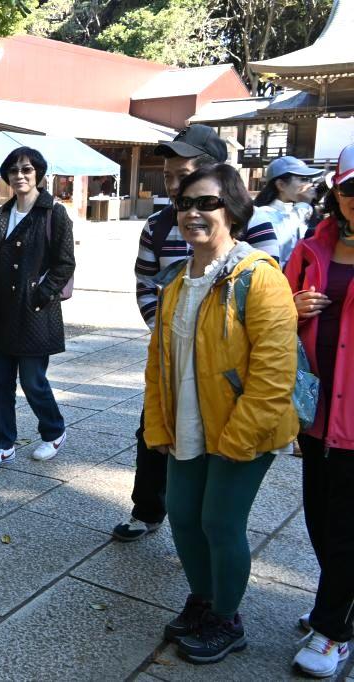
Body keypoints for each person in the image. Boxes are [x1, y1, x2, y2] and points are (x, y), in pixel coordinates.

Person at [143, 163, 299, 665]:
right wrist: (159, 422)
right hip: (188, 418)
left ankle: (228, 619)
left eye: (206, 203)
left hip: (243, 426)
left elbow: (275, 373)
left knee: (220, 521)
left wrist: (239, 439)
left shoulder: (258, 277)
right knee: (184, 518)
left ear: (231, 208)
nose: (192, 213)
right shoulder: (174, 280)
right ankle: (204, 598)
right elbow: (158, 364)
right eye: (184, 204)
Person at [115, 124, 279, 542]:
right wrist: (166, 334)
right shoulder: (157, 224)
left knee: (219, 440)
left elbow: (267, 293)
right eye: (169, 176)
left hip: (229, 362)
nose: (173, 185)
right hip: (173, 352)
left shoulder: (251, 222)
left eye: (181, 174)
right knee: (154, 429)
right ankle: (148, 509)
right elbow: (145, 282)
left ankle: (211, 526)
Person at [283, 142, 354, 678]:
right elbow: (271, 314)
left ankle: (332, 629)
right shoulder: (311, 248)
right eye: (351, 189)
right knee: (317, 513)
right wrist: (292, 307)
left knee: (346, 523)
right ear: (337, 189)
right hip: (314, 406)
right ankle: (340, 602)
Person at [0, 147, 74, 469]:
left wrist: (39, 295)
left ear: (38, 175)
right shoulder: (4, 213)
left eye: (27, 170)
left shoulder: (53, 212)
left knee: (33, 381)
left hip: (34, 313)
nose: (20, 175)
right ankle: (2, 444)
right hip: (2, 311)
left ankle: (54, 430)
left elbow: (65, 264)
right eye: (14, 170)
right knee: (0, 382)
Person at [249, 156, 322, 268]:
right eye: (303, 179)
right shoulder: (261, 214)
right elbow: (280, 240)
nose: (309, 185)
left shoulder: (297, 212)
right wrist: (304, 204)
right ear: (281, 185)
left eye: (310, 180)